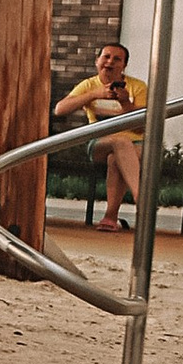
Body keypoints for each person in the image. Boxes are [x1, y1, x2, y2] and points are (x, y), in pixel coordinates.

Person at [55, 39, 147, 227]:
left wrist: (126, 104)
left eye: (117, 59)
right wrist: (93, 95)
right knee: (119, 143)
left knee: (116, 157)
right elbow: (60, 109)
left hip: (136, 145)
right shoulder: (89, 85)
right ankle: (142, 199)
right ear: (97, 61)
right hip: (99, 144)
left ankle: (110, 218)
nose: (110, 62)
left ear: (124, 65)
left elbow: (142, 127)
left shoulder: (137, 87)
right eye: (106, 57)